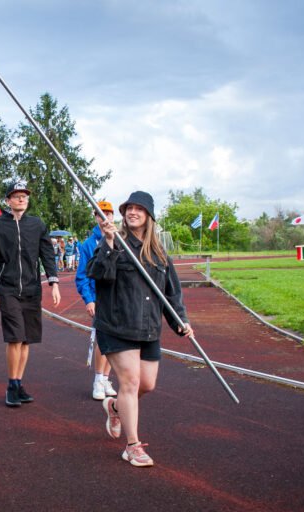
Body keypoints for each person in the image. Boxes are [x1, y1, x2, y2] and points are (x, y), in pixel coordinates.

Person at [87, 191, 193, 467]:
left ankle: (114, 407)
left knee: (147, 384)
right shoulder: (113, 242)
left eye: (139, 209)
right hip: (117, 325)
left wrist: (181, 322)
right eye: (129, 208)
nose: (132, 212)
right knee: (130, 382)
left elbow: (171, 293)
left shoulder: (158, 252)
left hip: (148, 328)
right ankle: (132, 446)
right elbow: (100, 275)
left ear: (149, 216)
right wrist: (109, 242)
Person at [0, 182, 60, 407]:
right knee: (15, 337)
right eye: (16, 196)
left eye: (24, 196)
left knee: (26, 340)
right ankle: (11, 385)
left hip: (31, 289)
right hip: (6, 288)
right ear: (8, 200)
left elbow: (47, 254)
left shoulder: (37, 225)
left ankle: (18, 382)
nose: (21, 199)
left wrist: (53, 283)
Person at [75, 201, 118, 401]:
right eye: (101, 214)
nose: (104, 218)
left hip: (118, 297)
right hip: (98, 297)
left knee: (115, 340)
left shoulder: (121, 238)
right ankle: (98, 379)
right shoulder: (88, 244)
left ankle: (106, 377)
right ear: (96, 217)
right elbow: (82, 275)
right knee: (103, 340)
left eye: (108, 214)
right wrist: (89, 300)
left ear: (112, 216)